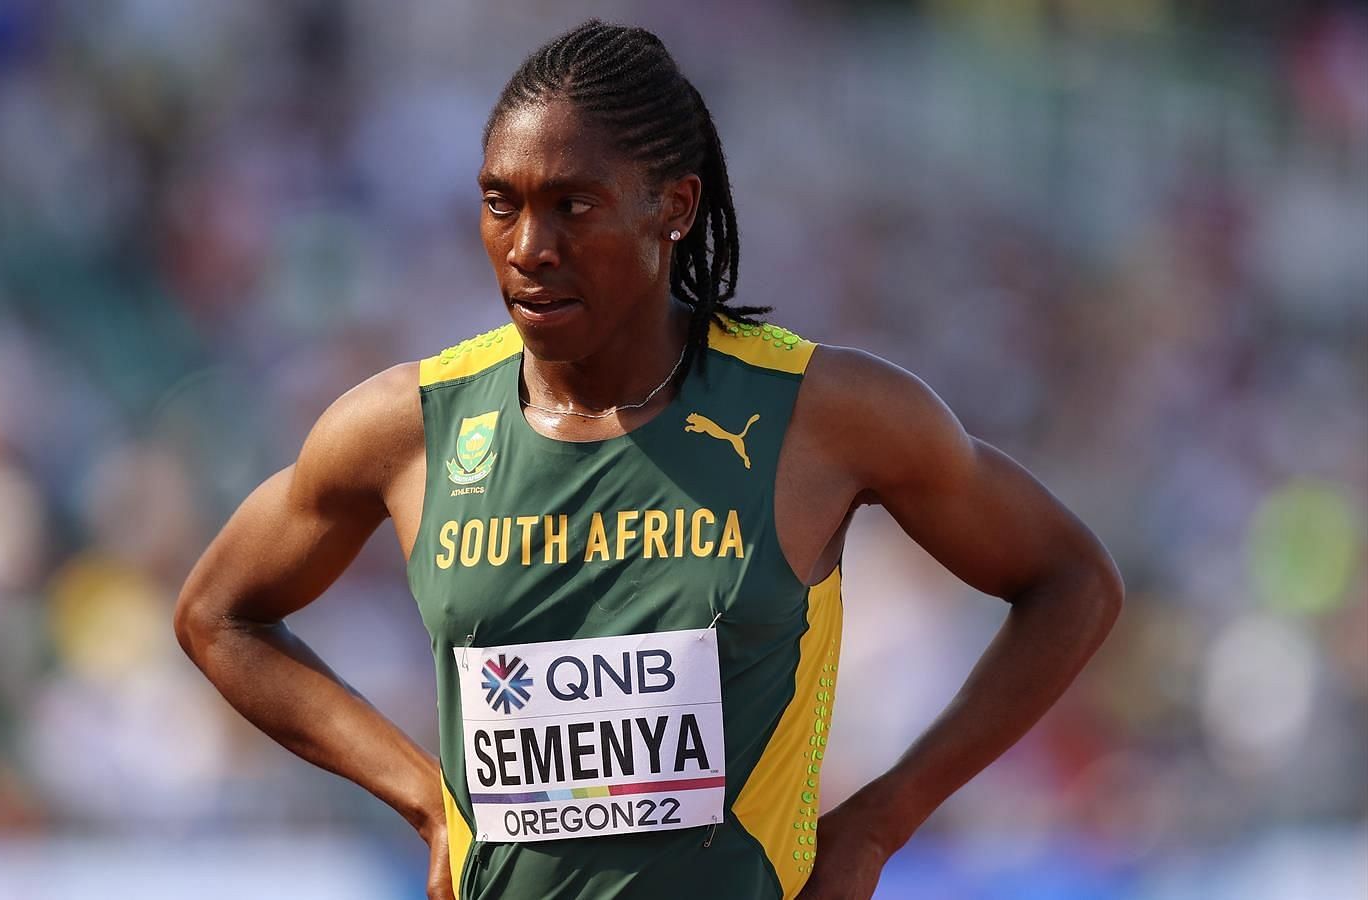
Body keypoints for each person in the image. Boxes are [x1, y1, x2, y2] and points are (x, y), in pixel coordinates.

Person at [174, 19, 1122, 900]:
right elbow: (220, 615)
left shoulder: (824, 414)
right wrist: (424, 798)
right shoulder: (407, 426)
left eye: (573, 206)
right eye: (501, 204)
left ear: (673, 207)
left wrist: (883, 819)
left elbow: (1072, 581)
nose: (529, 249)